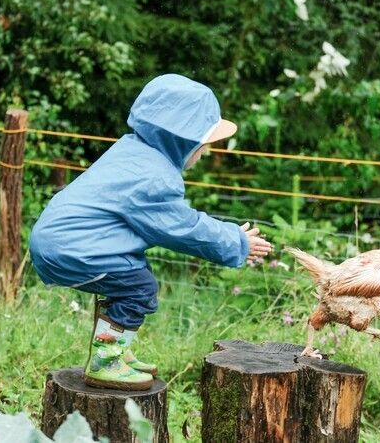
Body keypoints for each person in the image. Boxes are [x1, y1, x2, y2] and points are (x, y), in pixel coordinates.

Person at [29, 74, 273, 390]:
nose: (206, 152)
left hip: (65, 242)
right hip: (73, 248)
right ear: (182, 141)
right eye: (203, 144)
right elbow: (181, 228)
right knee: (139, 288)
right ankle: (106, 361)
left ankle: (117, 350)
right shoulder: (154, 179)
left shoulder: (133, 153)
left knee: (132, 274)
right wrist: (234, 241)